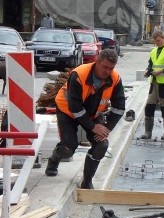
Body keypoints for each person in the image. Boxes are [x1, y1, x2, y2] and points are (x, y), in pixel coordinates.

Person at [44, 49, 125, 189]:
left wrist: (106, 128)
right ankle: (54, 159)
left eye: (111, 68)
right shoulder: (79, 74)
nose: (107, 71)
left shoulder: (115, 79)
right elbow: (75, 107)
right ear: (97, 62)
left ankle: (87, 181)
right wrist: (93, 127)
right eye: (104, 67)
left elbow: (119, 108)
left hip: (93, 113)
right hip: (67, 111)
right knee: (68, 147)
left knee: (102, 145)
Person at [140, 31, 164, 140]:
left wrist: (161, 71)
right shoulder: (154, 51)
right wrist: (147, 71)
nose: (156, 43)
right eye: (155, 41)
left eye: (158, 41)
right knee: (149, 106)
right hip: (154, 82)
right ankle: (148, 133)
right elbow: (151, 65)